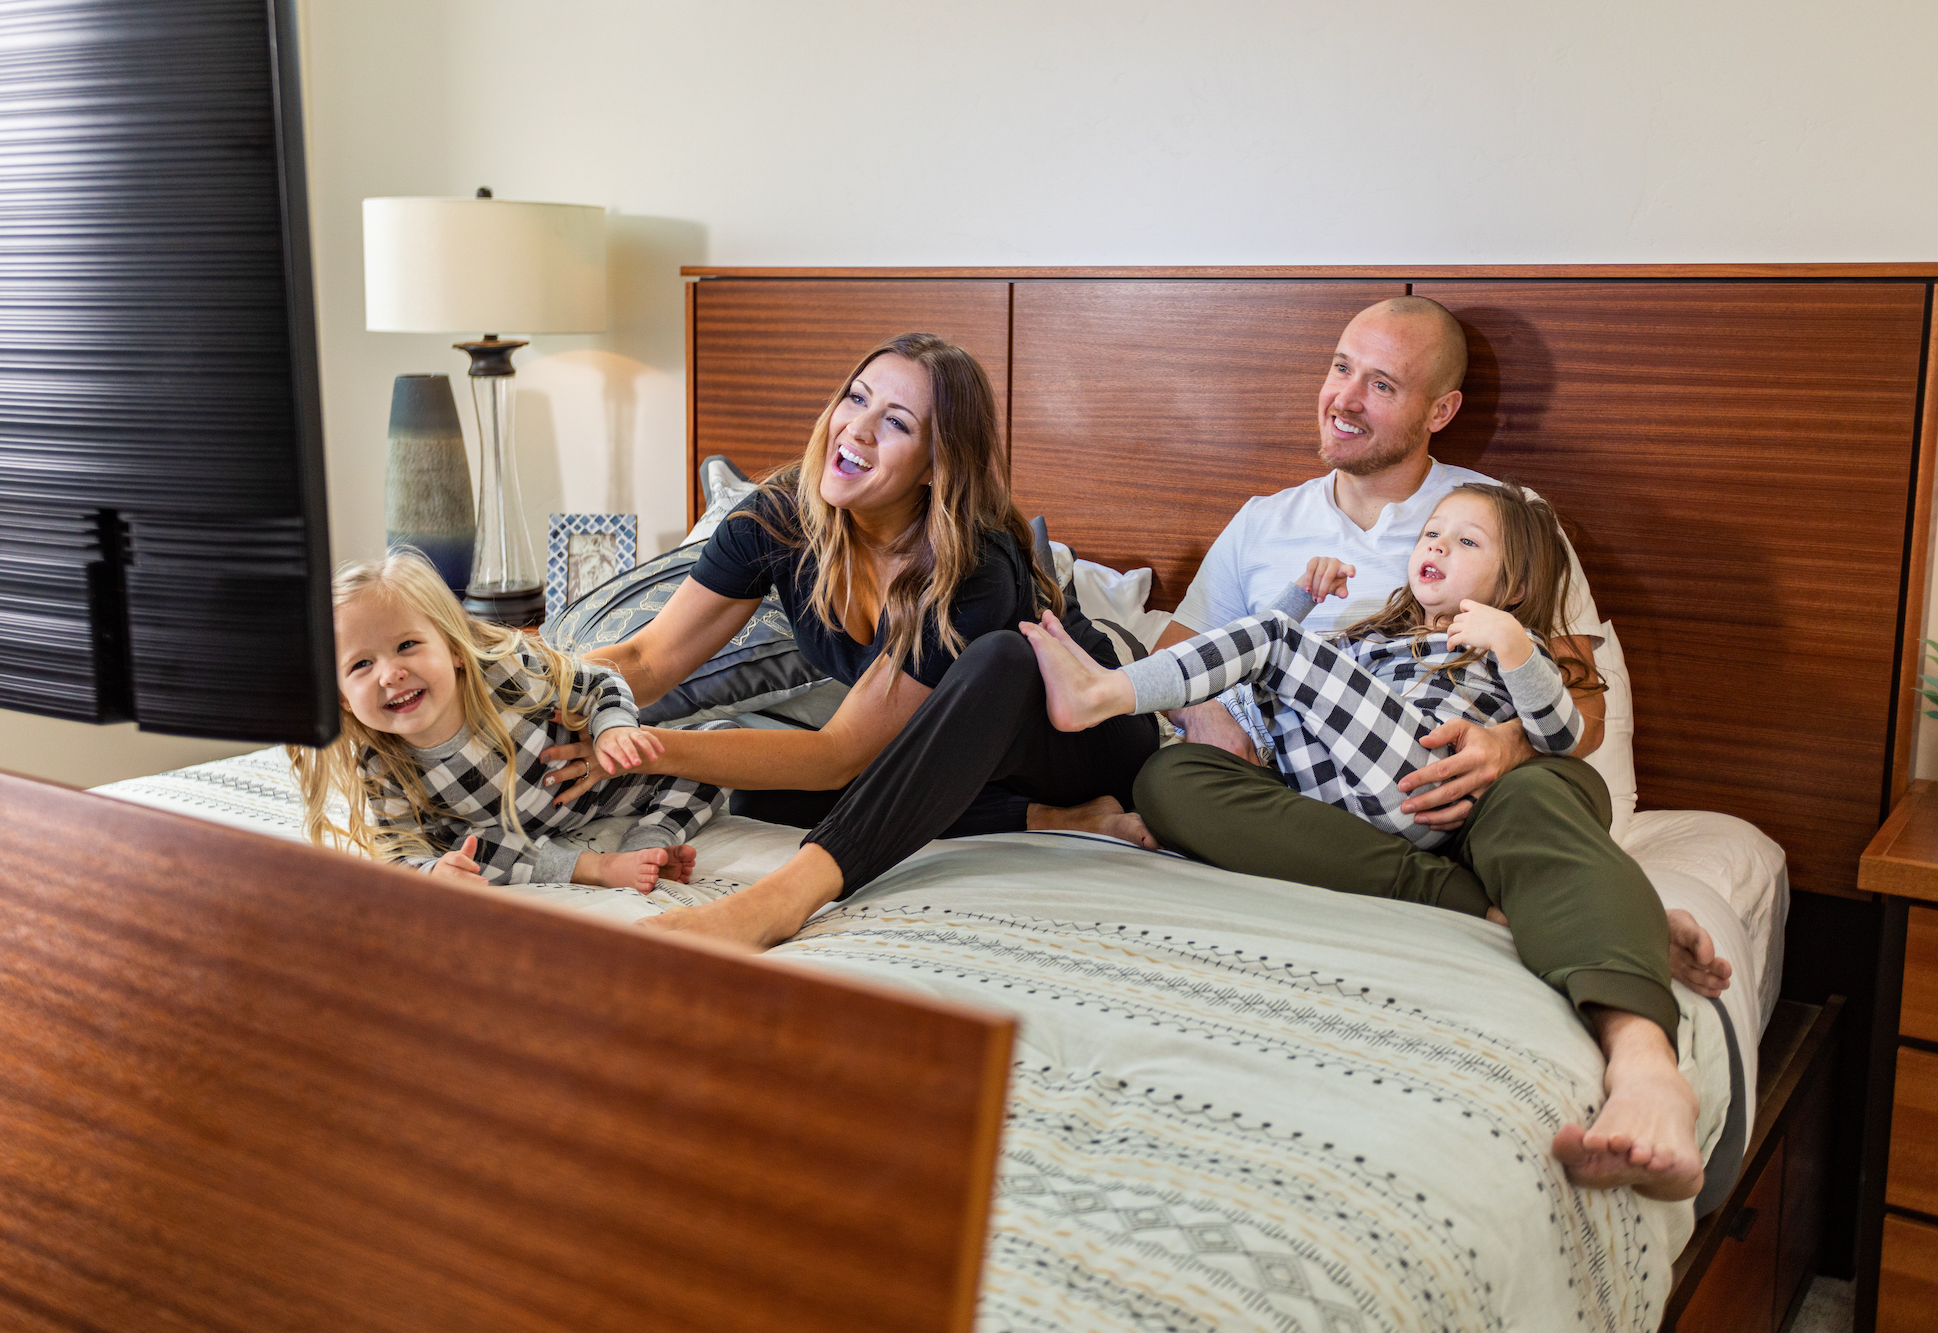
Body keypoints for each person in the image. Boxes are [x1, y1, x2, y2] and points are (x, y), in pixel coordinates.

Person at [1131, 295, 1727, 1201]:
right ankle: (1517, 905)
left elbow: (1583, 702)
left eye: (1381, 383)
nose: (1345, 398)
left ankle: (1647, 1068)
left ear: (1437, 411)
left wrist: (1510, 745)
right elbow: (1181, 645)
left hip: (1483, 793)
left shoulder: (1499, 513)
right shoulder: (1266, 521)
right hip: (1326, 804)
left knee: (1540, 801)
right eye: (1340, 367)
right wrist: (1208, 717)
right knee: (1170, 777)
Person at [541, 332, 1160, 947]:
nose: (857, 431)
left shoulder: (972, 565)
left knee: (1000, 657)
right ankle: (1043, 822)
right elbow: (647, 658)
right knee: (759, 789)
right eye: (856, 399)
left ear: (936, 464)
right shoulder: (776, 522)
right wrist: (514, 684)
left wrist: (640, 746)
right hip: (958, 767)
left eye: (895, 422)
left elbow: (841, 754)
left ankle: (780, 901)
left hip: (1081, 743)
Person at [1024, 482, 1592, 852]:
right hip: (1328, 794)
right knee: (1263, 665)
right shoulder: (1386, 634)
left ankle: (1101, 691)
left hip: (1420, 784)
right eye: (1430, 534)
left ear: (1514, 585)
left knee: (1276, 641)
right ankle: (1080, 637)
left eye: (1466, 541)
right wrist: (1300, 598)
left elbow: (1562, 734)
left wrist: (1514, 641)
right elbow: (1269, 668)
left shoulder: (1509, 645)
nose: (1437, 548)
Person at [289, 549, 722, 893]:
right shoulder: (381, 760)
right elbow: (400, 849)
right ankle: (600, 869)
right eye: (361, 664)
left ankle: (651, 840)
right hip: (502, 837)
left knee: (714, 753)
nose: (390, 673)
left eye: (407, 645)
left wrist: (613, 728)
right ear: (342, 699)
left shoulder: (509, 674)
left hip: (606, 787)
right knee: (464, 853)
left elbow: (600, 681)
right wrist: (433, 873)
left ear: (455, 649)